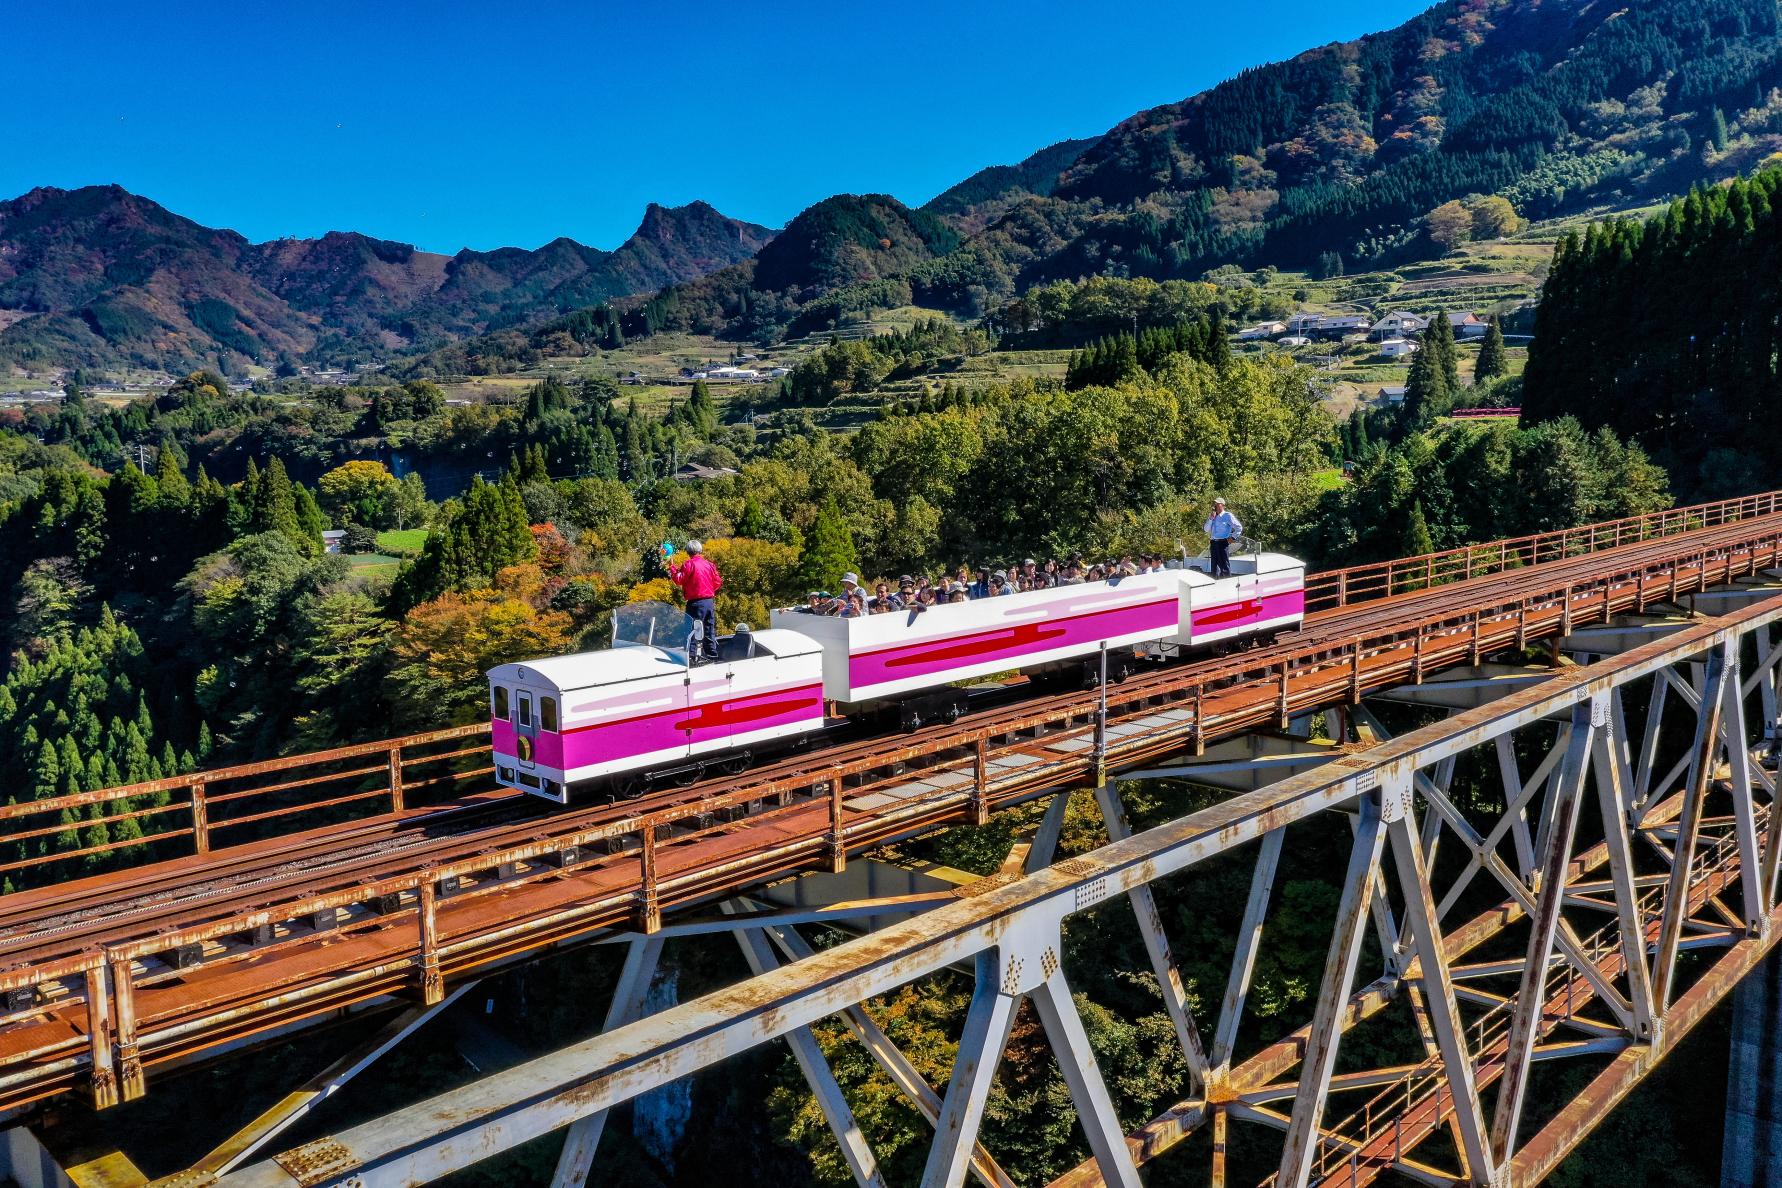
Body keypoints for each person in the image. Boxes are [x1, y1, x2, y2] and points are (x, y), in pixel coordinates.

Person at [667, 539, 723, 663]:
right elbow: (718, 581)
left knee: (692, 630)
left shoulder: (688, 564)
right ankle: (712, 656)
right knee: (709, 629)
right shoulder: (709, 564)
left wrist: (672, 567)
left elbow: (679, 579)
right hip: (709, 601)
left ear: (688, 551)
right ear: (700, 550)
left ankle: (691, 657)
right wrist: (708, 589)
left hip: (695, 602)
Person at [1204, 498, 1243, 579]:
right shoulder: (1212, 516)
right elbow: (1206, 529)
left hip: (1222, 543)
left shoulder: (1227, 516)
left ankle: (1228, 584)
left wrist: (1233, 538)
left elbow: (1239, 527)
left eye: (1218, 504)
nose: (1215, 506)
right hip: (1213, 543)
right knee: (1214, 567)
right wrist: (1211, 518)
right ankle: (1216, 584)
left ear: (1223, 505)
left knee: (1224, 566)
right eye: (1215, 504)